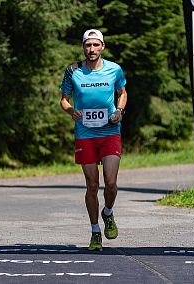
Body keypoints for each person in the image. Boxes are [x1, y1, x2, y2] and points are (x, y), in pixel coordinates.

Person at [59, 29, 128, 251]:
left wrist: (119, 111)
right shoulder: (73, 71)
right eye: (88, 45)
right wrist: (71, 112)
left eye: (95, 45)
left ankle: (107, 212)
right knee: (91, 185)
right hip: (85, 134)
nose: (91, 50)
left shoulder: (114, 69)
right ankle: (95, 231)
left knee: (110, 183)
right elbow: (64, 99)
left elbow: (123, 92)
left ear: (102, 47)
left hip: (109, 131)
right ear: (83, 48)